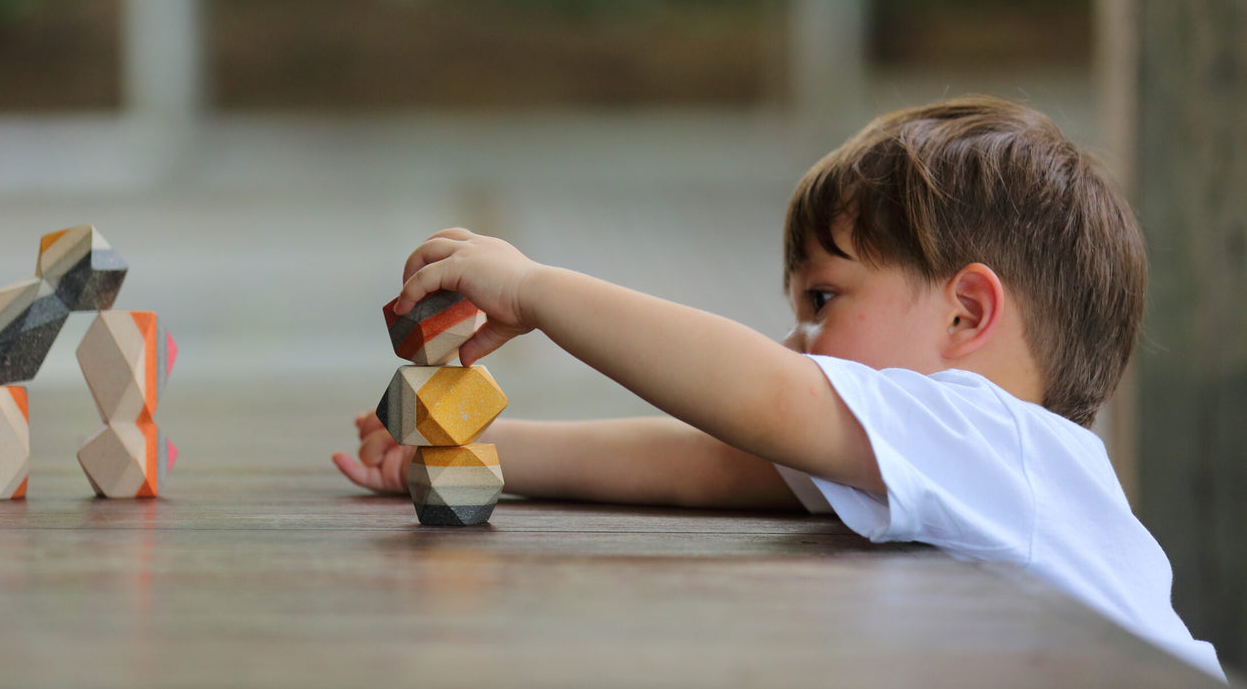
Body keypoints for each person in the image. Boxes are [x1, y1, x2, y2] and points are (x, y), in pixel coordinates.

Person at [332, 96, 1223, 679]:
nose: (796, 340)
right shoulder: (940, 462)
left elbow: (765, 400)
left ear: (965, 315)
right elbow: (719, 462)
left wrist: (537, 290)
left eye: (824, 299)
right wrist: (483, 452)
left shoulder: (996, 438)